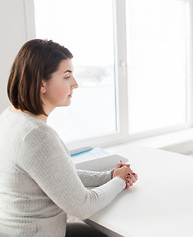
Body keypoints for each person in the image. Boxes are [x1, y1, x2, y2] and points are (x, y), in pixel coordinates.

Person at [0, 39, 138, 236]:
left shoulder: (10, 117)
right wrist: (120, 181)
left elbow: (58, 174)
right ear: (42, 84)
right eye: (67, 77)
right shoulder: (36, 135)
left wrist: (108, 177)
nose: (75, 84)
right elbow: (83, 207)